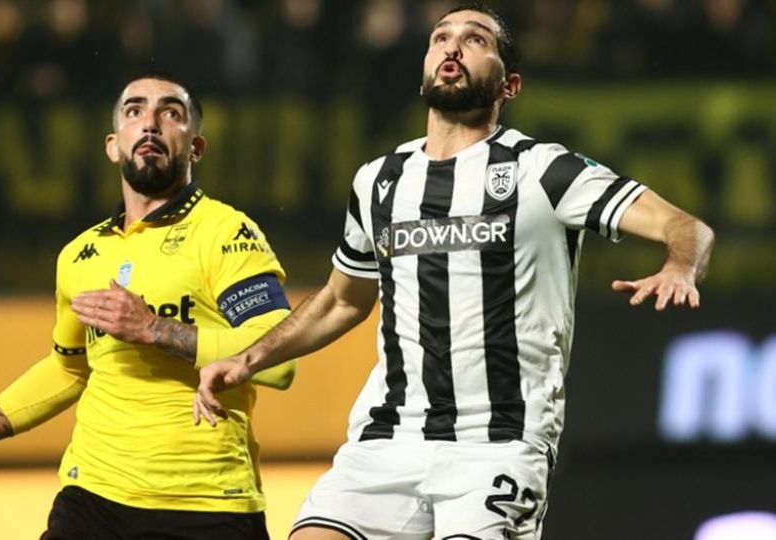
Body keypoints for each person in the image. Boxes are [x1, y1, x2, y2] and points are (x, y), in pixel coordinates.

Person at [193, 3, 715, 540]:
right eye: (441, 37)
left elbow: (686, 226)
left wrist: (680, 267)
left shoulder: (544, 170)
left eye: (475, 40)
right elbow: (343, 300)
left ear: (509, 85)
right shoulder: (378, 181)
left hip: (498, 444)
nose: (453, 47)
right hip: (386, 441)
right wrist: (247, 359)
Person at [0, 71, 297, 540]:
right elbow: (69, 368)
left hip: (206, 500)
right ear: (113, 145)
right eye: (134, 111)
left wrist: (154, 329)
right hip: (92, 499)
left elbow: (279, 360)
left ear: (196, 147)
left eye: (171, 113)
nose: (150, 122)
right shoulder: (79, 255)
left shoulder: (226, 232)